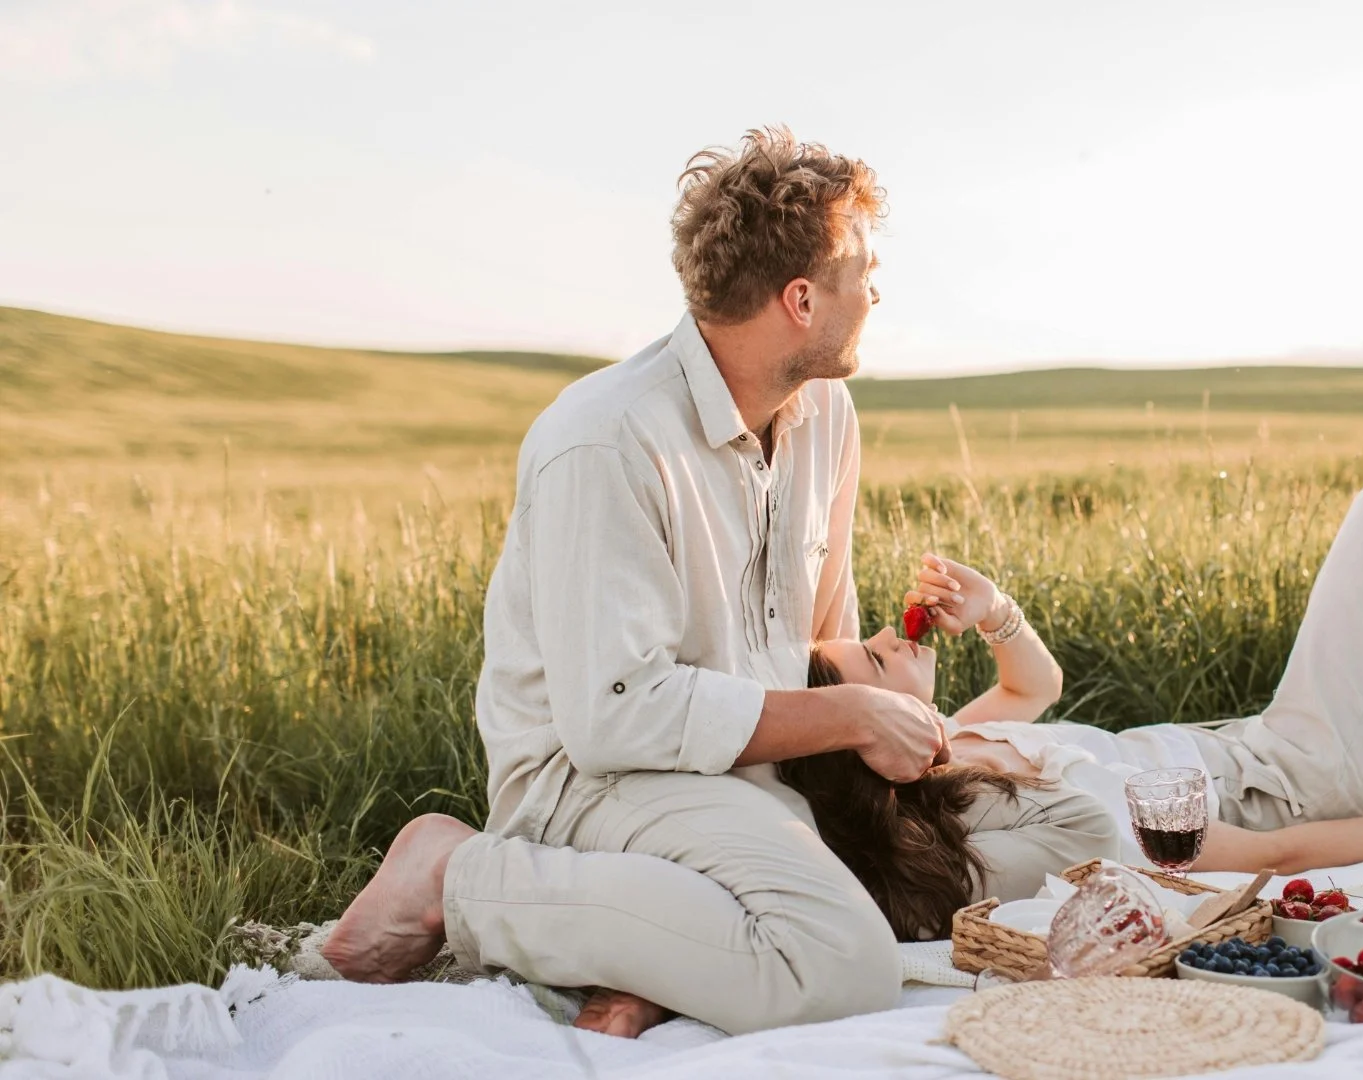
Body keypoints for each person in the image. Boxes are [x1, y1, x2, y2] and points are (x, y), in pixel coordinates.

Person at [321, 128, 961, 1040]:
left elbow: (817, 637)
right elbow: (616, 717)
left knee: (954, 875)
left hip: (742, 770)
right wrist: (855, 719)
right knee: (843, 964)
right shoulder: (605, 440)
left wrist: (889, 685)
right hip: (590, 777)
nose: (877, 290)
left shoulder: (826, 415)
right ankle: (455, 874)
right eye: (864, 268)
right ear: (801, 298)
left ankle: (643, 956)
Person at [809, 477, 1363, 875]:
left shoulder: (954, 742)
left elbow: (1032, 689)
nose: (884, 631)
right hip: (1288, 786)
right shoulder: (986, 808)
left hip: (1258, 748)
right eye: (874, 660)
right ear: (872, 744)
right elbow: (1275, 856)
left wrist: (993, 610)